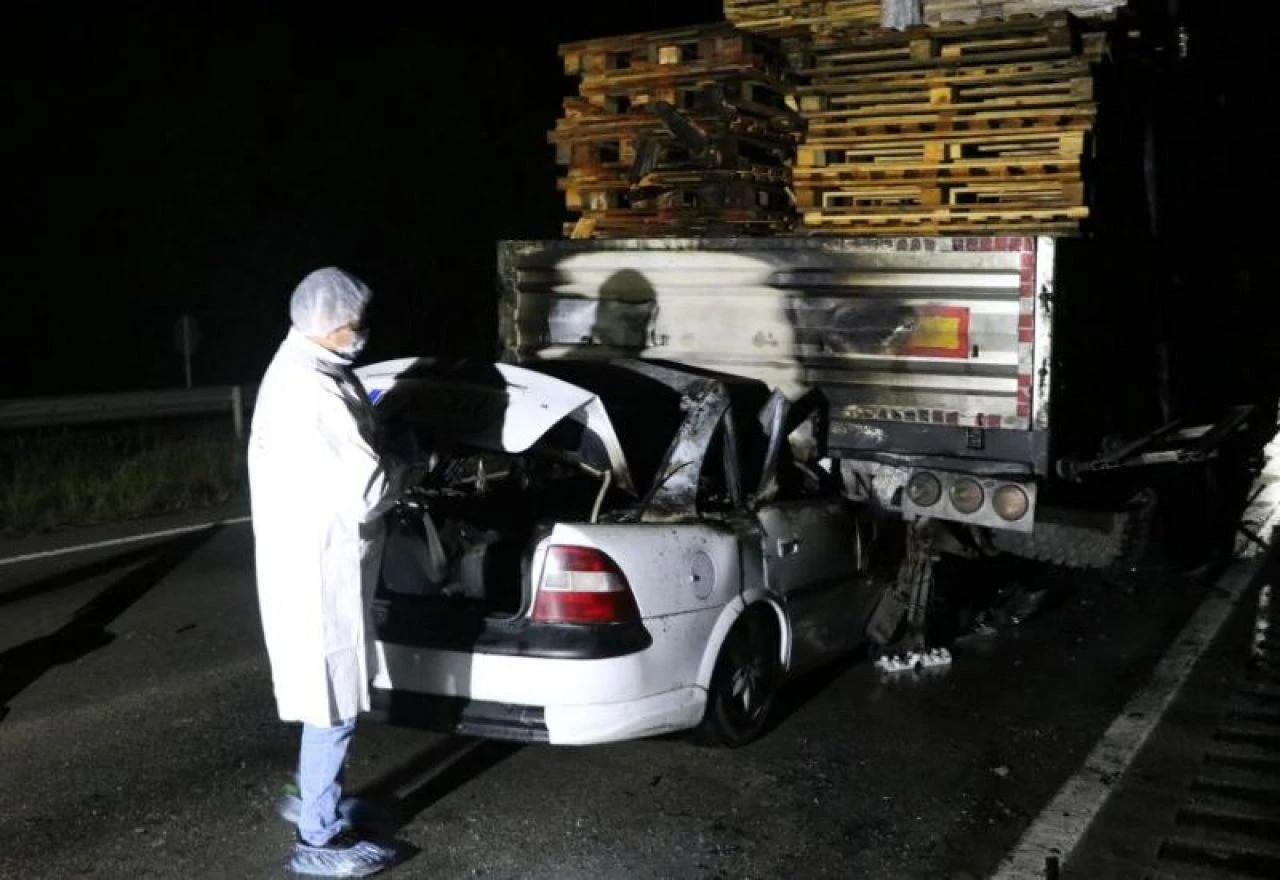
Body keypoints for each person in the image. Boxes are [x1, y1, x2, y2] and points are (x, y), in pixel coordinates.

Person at [248, 266, 409, 878]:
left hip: (308, 553)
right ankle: (317, 833)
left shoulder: (301, 366)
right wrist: (407, 465)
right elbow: (367, 491)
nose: (361, 334)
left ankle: (315, 796)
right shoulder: (314, 392)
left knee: (327, 694)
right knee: (333, 700)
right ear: (331, 323)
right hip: (320, 565)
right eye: (355, 325)